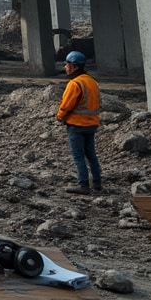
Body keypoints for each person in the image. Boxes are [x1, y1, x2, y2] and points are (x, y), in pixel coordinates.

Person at [58, 51, 103, 195]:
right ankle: (97, 183)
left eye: (67, 64)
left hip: (77, 125)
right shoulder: (92, 81)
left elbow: (66, 105)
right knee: (91, 155)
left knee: (78, 156)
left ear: (74, 66)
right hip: (92, 124)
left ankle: (83, 185)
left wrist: (60, 116)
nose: (65, 67)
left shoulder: (74, 83)